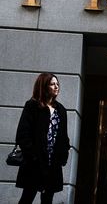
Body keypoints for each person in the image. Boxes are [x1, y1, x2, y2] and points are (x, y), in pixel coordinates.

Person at [15, 73, 70, 204]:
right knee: (27, 197)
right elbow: (22, 134)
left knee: (47, 200)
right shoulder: (32, 106)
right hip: (35, 162)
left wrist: (63, 156)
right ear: (44, 86)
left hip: (53, 163)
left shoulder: (61, 110)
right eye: (52, 84)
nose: (56, 87)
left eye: (57, 84)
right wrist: (32, 156)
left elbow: (64, 137)